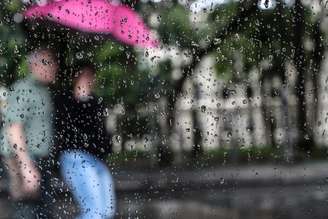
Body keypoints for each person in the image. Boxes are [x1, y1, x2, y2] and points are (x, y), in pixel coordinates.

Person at [0, 48, 58, 218]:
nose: (53, 67)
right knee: (26, 210)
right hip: (23, 158)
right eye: (47, 63)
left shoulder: (43, 90)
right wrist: (26, 167)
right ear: (33, 65)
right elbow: (13, 128)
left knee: (42, 210)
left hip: (37, 158)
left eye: (53, 63)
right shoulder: (24, 88)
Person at [54, 63, 116, 219]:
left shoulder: (96, 102)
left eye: (91, 76)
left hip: (96, 159)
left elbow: (101, 132)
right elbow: (66, 130)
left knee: (107, 211)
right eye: (85, 76)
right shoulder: (64, 100)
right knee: (93, 210)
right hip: (74, 156)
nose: (89, 80)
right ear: (76, 77)